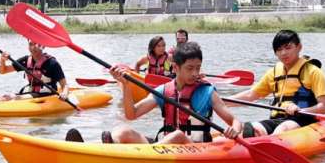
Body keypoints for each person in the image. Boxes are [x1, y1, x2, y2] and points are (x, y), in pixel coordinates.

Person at [68, 41, 241, 144]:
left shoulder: (208, 92)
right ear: (176, 68)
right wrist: (126, 86)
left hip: (194, 148)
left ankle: (145, 156)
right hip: (164, 147)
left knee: (178, 135)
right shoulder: (164, 91)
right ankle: (88, 150)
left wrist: (234, 130)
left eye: (198, 68)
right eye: (190, 68)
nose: (195, 73)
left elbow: (235, 121)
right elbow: (131, 114)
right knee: (123, 130)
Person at [227, 29, 325, 136]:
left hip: (303, 120)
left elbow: (324, 107)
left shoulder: (313, 72)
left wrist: (301, 109)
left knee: (282, 129)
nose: (284, 53)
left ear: (299, 47)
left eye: (288, 48)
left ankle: (271, 144)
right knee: (250, 130)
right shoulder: (273, 73)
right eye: (279, 50)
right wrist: (220, 102)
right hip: (277, 119)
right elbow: (251, 95)